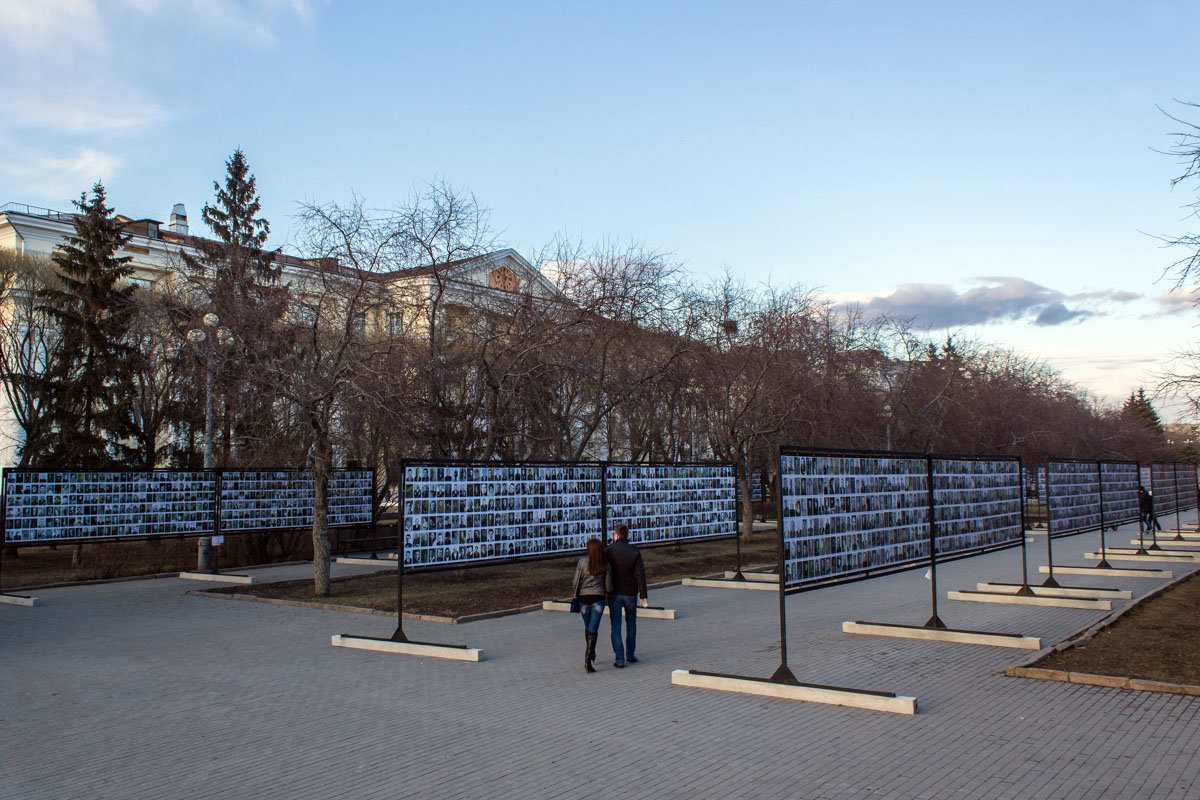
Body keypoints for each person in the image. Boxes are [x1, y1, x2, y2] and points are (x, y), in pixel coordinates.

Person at [605, 524, 649, 668]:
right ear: (627, 535)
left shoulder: (609, 550)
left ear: (616, 535)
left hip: (614, 593)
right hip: (630, 592)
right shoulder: (634, 551)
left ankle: (619, 659)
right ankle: (630, 654)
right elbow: (640, 574)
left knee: (615, 625)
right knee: (631, 622)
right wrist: (643, 595)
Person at [571, 538, 610, 673]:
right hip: (598, 598)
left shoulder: (582, 563)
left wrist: (575, 596)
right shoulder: (604, 563)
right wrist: (606, 593)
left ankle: (589, 655)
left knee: (588, 628)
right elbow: (608, 584)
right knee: (592, 628)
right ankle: (589, 656)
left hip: (584, 598)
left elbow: (576, 581)